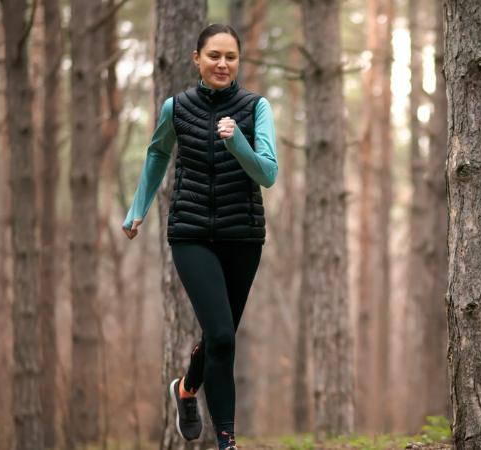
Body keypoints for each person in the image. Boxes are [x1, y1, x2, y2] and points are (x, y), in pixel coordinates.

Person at [122, 23, 277, 450]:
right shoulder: (176, 108)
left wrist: (238, 143)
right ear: (196, 58)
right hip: (190, 233)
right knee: (224, 338)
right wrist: (138, 210)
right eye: (214, 56)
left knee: (218, 335)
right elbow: (157, 153)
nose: (222, 64)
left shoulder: (255, 107)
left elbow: (268, 173)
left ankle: (186, 390)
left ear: (238, 61)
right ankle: (227, 441)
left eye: (230, 56)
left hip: (243, 235)